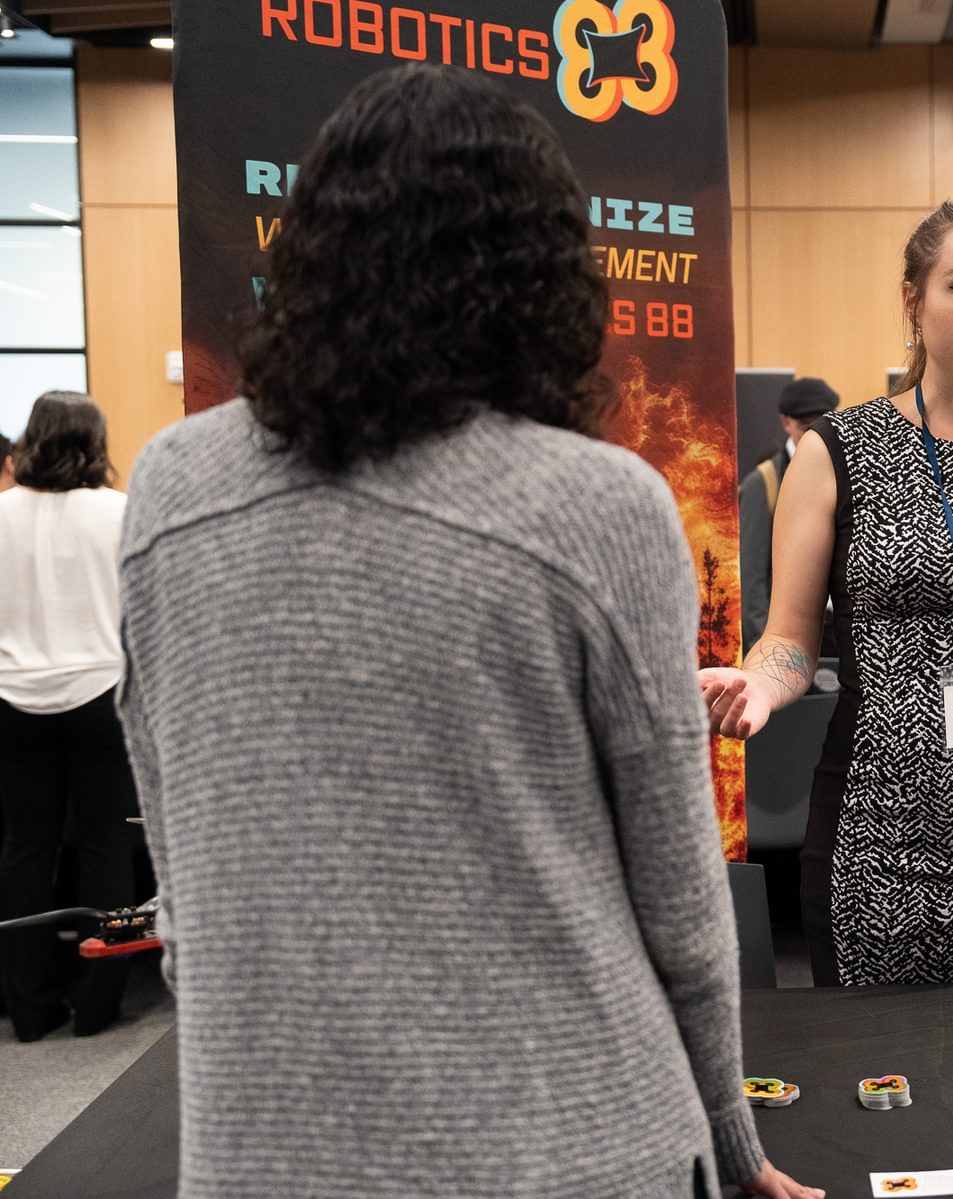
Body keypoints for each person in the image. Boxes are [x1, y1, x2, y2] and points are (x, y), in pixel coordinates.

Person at [115, 65, 818, 1199]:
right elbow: (683, 907)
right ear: (540, 278)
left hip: (268, 1147)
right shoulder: (600, 505)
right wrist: (733, 1139)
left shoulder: (170, 489)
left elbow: (181, 853)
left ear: (306, 256)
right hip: (572, 1139)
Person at [701, 190, 953, 986]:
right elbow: (789, 642)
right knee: (882, 1085)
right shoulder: (837, 451)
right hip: (877, 844)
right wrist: (759, 681)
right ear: (912, 300)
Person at [0, 391, 138, 1041]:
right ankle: (98, 1000)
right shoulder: (119, 511)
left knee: (26, 849)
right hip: (100, 694)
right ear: (95, 441)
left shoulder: (0, 513)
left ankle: (29, 1006)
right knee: (106, 845)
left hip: (13, 699)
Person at [740, 376, 838, 649]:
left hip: (840, 639)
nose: (815, 434)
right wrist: (765, 656)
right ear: (786, 422)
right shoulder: (763, 482)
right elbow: (753, 581)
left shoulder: (848, 471)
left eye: (823, 423)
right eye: (806, 426)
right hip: (787, 641)